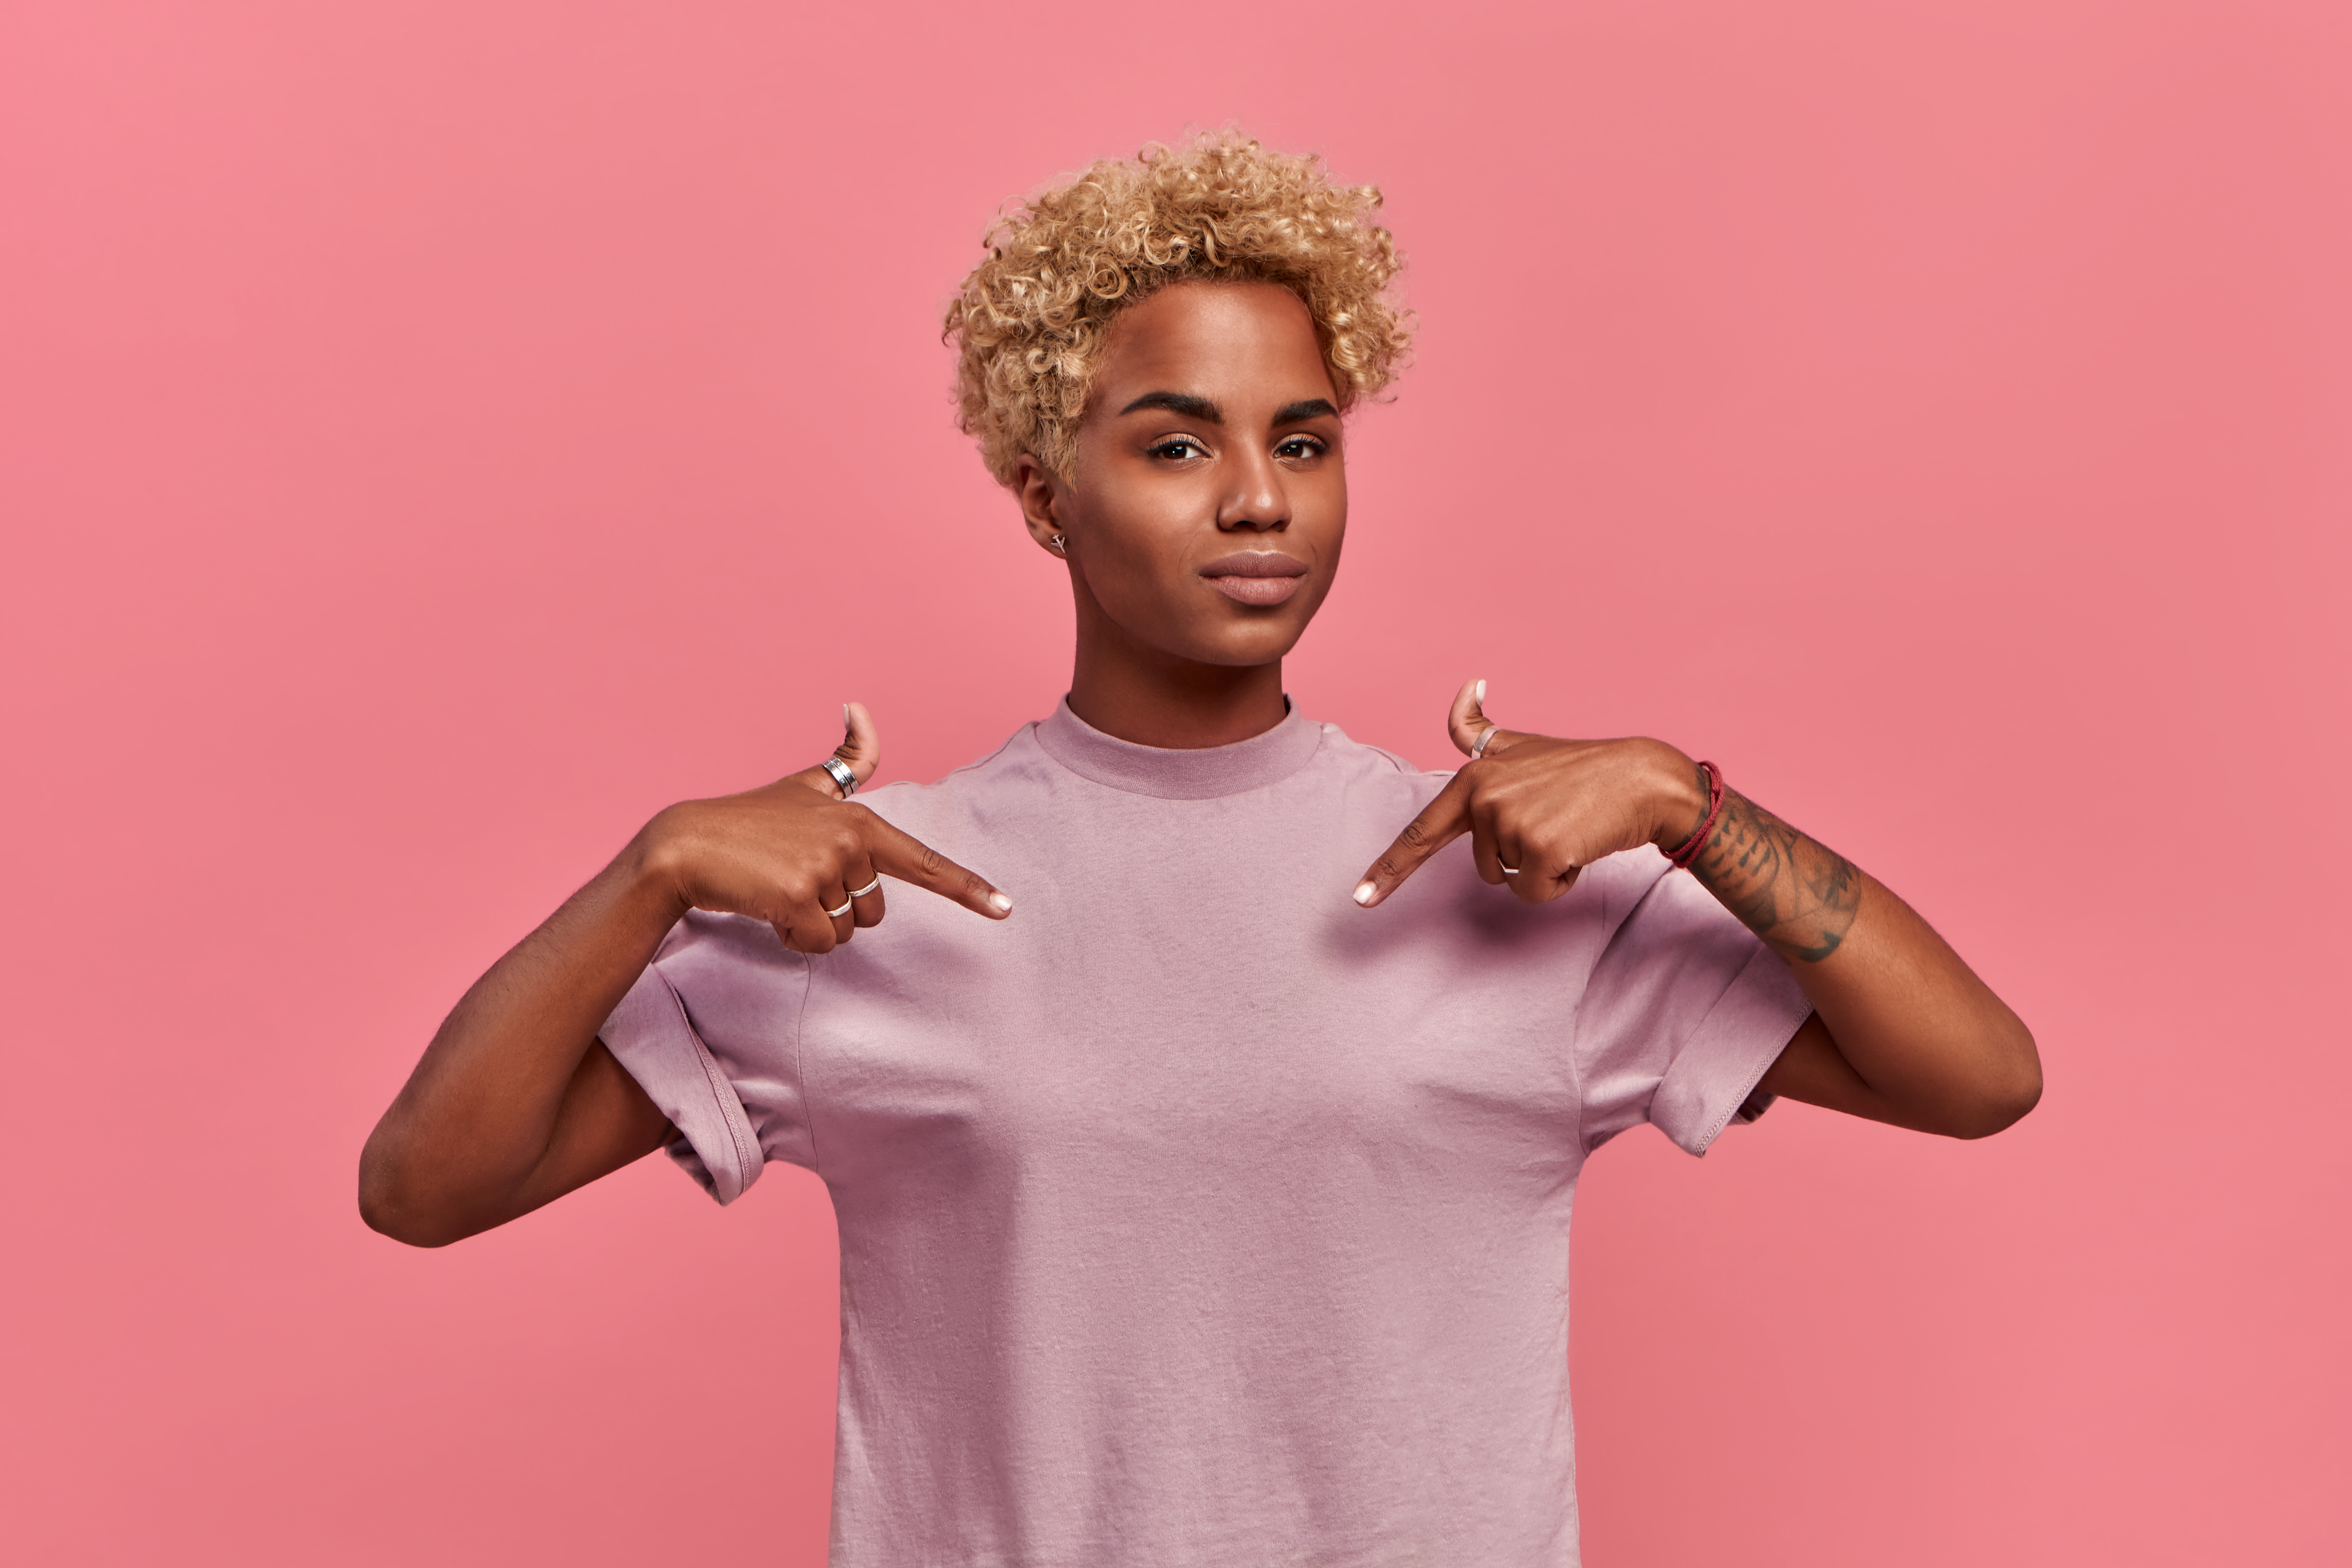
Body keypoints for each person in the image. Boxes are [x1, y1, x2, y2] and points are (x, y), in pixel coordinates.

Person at [360, 132, 2040, 1566]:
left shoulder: (1499, 868)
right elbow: (425, 1186)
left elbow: (1978, 1073)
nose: (1259, 499)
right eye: (1176, 443)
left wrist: (1690, 801)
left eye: (1301, 441)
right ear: (1041, 487)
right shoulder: (878, 884)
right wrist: (652, 868)